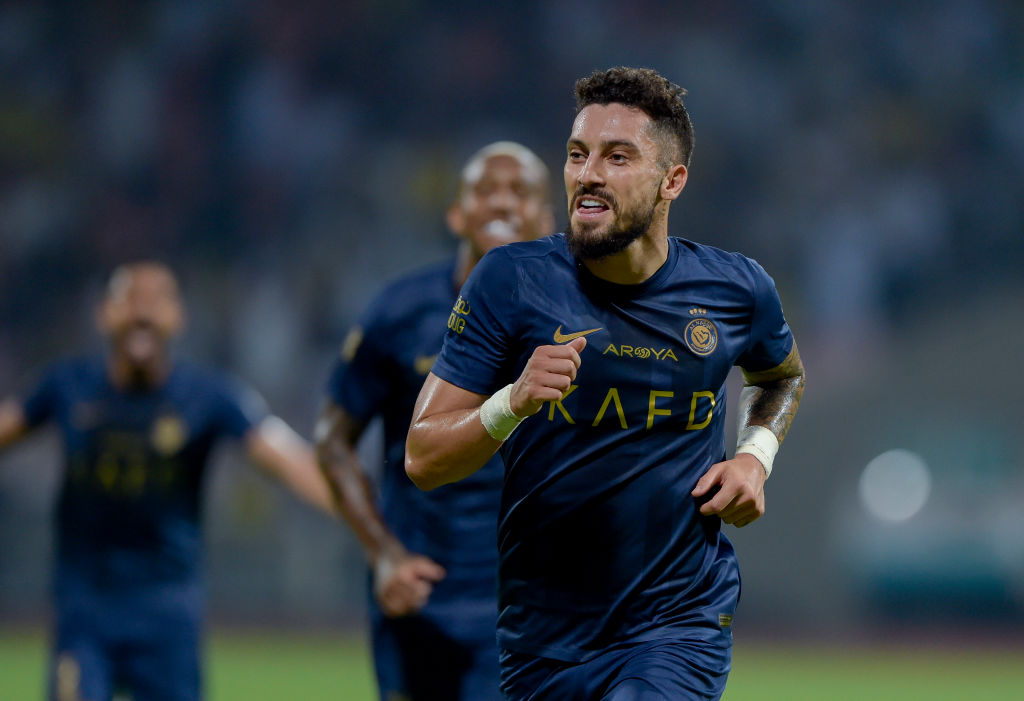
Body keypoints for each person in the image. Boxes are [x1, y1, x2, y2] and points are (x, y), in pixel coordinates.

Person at [405, 67, 806, 700]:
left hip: (678, 623)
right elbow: (424, 457)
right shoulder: (510, 281)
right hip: (541, 637)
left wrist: (755, 456)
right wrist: (512, 402)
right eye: (577, 154)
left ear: (671, 180)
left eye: (617, 157)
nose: (588, 173)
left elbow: (781, 376)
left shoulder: (736, 289)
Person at [0, 262, 336, 701]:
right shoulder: (66, 385)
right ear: (103, 315)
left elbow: (289, 460)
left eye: (157, 300)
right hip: (85, 609)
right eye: (129, 299)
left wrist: (362, 513)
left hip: (167, 611)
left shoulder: (208, 395)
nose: (142, 312)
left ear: (178, 318)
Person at [315, 141, 554, 701]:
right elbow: (331, 440)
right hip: (418, 592)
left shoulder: (576, 319)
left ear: (546, 220)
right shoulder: (399, 311)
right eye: (485, 190)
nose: (502, 202)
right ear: (456, 214)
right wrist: (382, 553)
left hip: (525, 602)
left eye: (519, 192)